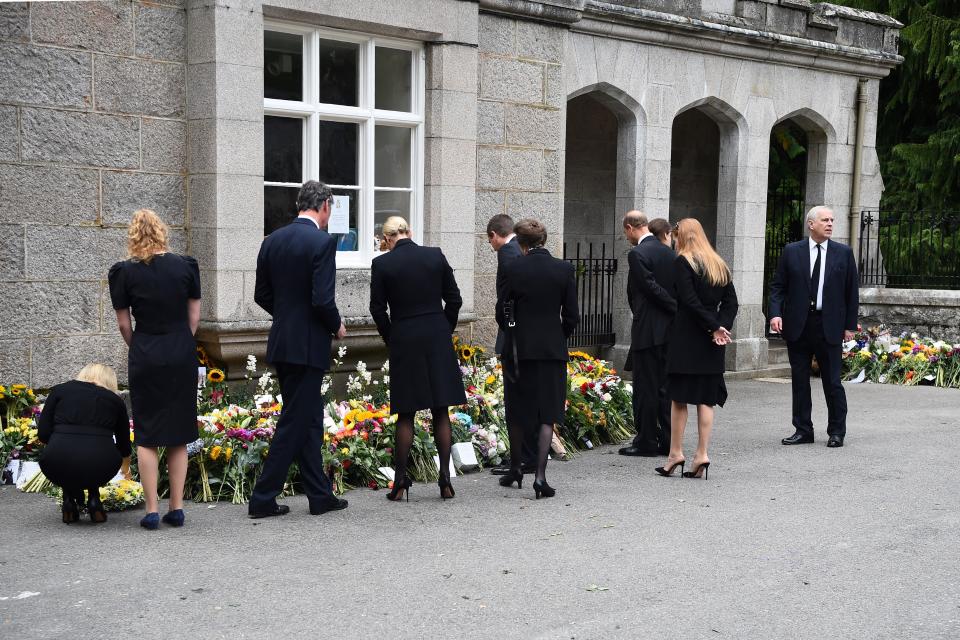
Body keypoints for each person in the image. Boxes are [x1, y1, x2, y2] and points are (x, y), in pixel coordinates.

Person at [248, 180, 348, 518]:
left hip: (283, 341)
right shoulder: (321, 242)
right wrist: (336, 325)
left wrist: (289, 316)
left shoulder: (272, 241)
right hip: (308, 345)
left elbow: (262, 294)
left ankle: (319, 494)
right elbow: (322, 299)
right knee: (295, 421)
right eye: (330, 210)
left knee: (306, 418)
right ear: (324, 207)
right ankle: (263, 497)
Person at [109, 209, 201, 530]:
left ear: (134, 235)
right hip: (180, 350)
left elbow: (124, 324)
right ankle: (176, 508)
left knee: (147, 435)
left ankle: (151, 510)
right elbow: (194, 318)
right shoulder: (186, 266)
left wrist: (141, 345)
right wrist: (178, 344)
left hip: (145, 351)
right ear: (162, 232)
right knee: (179, 433)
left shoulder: (123, 273)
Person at [370, 216, 466, 501]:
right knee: (440, 409)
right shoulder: (434, 255)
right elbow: (455, 299)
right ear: (409, 232)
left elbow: (377, 310)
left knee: (406, 412)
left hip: (405, 339)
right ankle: (446, 480)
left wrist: (392, 337)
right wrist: (443, 328)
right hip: (436, 335)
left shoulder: (382, 263)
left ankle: (399, 482)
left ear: (387, 240)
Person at [496, 219, 578, 499]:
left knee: (517, 409)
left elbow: (501, 311)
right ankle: (540, 476)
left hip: (518, 350)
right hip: (551, 350)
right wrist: (557, 336)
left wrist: (514, 330)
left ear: (520, 242)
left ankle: (517, 467)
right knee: (547, 413)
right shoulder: (564, 269)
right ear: (545, 239)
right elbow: (572, 316)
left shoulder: (512, 267)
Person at [769, 205, 859, 448]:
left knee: (832, 381)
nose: (830, 224)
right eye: (825, 220)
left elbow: (852, 292)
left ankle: (837, 431)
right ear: (811, 224)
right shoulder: (792, 251)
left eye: (832, 220)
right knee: (799, 380)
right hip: (798, 324)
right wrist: (775, 314)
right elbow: (778, 287)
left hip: (829, 325)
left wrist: (850, 325)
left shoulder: (843, 253)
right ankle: (802, 429)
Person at [659, 218, 738, 479]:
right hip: (712, 341)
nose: (674, 240)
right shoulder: (719, 263)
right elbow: (731, 304)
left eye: (676, 235)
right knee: (706, 399)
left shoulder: (683, 262)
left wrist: (714, 328)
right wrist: (720, 328)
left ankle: (676, 453)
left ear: (683, 236)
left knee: (679, 398)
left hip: (687, 337)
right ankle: (702, 454)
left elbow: (689, 302)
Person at [37, 364, 131, 524]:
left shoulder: (59, 391)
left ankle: (68, 502)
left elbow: (44, 435)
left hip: (56, 461)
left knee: (67, 451)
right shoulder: (115, 401)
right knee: (93, 454)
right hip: (102, 465)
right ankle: (94, 500)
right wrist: (125, 467)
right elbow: (124, 445)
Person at [618, 211, 677, 458]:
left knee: (645, 388)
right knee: (665, 388)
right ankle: (667, 440)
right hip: (669, 329)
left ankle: (645, 441)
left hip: (648, 330)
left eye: (625, 232)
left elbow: (645, 287)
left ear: (631, 227)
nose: (626, 237)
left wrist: (672, 305)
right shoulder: (669, 252)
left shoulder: (637, 253)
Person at [485, 213, 534, 476]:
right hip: (528, 334)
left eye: (489, 240)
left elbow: (505, 300)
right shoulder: (521, 250)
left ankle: (521, 457)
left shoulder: (507, 253)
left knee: (516, 399)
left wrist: (503, 323)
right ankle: (527, 454)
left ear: (494, 234)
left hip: (514, 334)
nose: (491, 245)